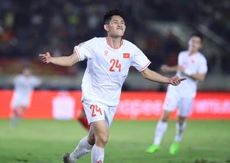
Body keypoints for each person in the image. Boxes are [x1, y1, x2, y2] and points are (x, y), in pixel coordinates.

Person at [39, 9, 185, 163]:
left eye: (122, 23)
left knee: (93, 138)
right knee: (103, 137)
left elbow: (146, 73)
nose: (120, 25)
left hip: (111, 101)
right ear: (106, 27)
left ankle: (71, 159)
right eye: (116, 22)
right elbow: (70, 60)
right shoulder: (94, 44)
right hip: (93, 96)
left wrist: (168, 80)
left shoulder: (131, 49)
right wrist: (52, 59)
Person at [146, 33, 208, 155]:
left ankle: (177, 141)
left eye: (196, 42)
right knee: (165, 115)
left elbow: (201, 77)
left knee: (181, 120)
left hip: (188, 93)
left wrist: (188, 71)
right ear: (189, 42)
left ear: (200, 45)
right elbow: (180, 68)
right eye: (192, 41)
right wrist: (168, 69)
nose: (193, 43)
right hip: (174, 89)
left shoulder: (201, 60)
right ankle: (156, 143)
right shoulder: (182, 55)